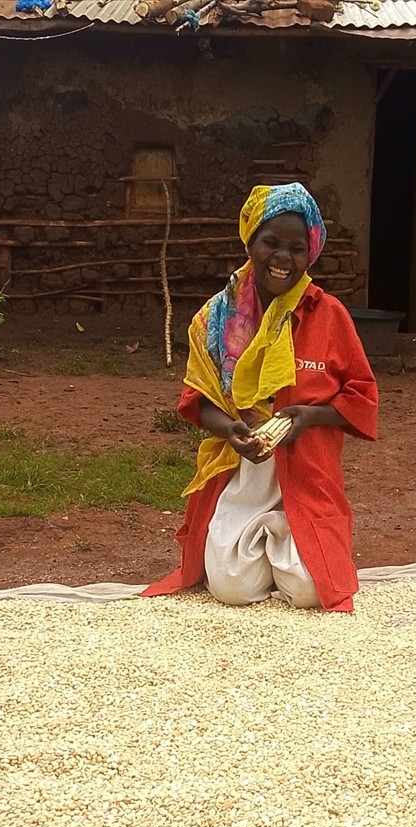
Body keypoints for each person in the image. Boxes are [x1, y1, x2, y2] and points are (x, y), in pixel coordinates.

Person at [141, 183, 378, 613]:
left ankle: (287, 543)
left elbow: (361, 393)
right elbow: (199, 396)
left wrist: (310, 416)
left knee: (310, 592)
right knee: (232, 589)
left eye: (297, 248)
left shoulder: (328, 315)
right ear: (250, 241)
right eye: (271, 243)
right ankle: (259, 550)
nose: (283, 258)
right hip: (242, 471)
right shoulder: (216, 318)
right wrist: (228, 429)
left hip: (307, 472)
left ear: (312, 253)